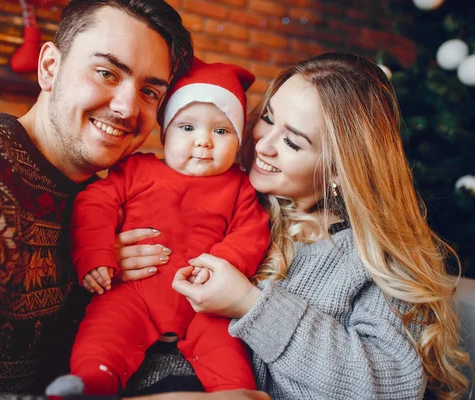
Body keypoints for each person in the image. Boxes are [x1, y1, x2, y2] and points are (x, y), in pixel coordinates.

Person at [0, 1, 269, 399]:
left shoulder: (92, 192)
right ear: (49, 67)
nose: (127, 107)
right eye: (106, 72)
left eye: (149, 91)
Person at [161, 52, 471, 399]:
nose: (263, 144)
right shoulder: (221, 194)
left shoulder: (368, 257)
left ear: (341, 167)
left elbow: (393, 386)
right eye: (267, 118)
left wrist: (251, 305)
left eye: (293, 141)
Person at [46, 58, 270, 396]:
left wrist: (222, 266)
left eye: (221, 131)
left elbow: (251, 232)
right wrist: (96, 253)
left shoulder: (240, 187)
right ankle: (94, 380)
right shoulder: (136, 170)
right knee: (106, 329)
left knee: (226, 348)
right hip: (135, 290)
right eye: (188, 127)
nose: (204, 141)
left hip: (203, 299)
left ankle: (236, 390)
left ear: (238, 141)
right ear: (165, 133)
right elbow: (95, 203)